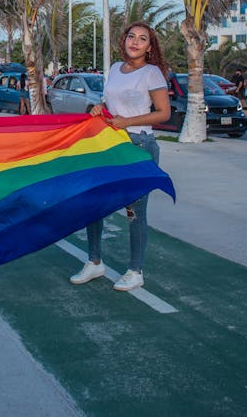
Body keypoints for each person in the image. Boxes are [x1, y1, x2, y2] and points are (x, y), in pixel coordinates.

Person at [69, 21, 171, 292]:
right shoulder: (115, 68)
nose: (135, 42)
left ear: (150, 47)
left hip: (138, 145)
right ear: (124, 40)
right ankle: (94, 262)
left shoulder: (152, 73)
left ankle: (135, 271)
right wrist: (99, 107)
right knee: (94, 203)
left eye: (142, 39)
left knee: (134, 211)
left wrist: (127, 122)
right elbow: (110, 104)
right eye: (131, 37)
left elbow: (164, 113)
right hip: (109, 143)